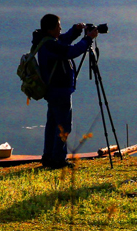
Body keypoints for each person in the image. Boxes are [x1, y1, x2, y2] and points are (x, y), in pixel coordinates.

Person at [33, 13, 99, 169]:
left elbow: (63, 41)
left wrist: (75, 31)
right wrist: (88, 39)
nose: (60, 28)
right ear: (51, 29)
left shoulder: (46, 41)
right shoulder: (50, 45)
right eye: (58, 26)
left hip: (53, 90)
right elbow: (70, 51)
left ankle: (48, 157)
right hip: (59, 90)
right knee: (64, 126)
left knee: (53, 125)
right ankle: (58, 159)